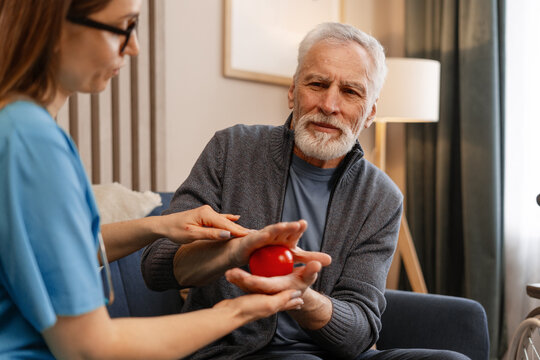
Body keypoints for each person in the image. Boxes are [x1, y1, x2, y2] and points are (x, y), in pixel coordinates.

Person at [0, 0, 331, 358]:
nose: (134, 46)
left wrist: (160, 225)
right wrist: (242, 309)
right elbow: (89, 348)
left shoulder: (19, 126)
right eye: (124, 26)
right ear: (55, 27)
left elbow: (59, 249)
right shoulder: (33, 143)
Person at [142, 22, 470, 360]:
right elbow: (157, 265)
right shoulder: (232, 148)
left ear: (370, 112)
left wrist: (300, 295)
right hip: (236, 351)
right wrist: (239, 249)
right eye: (317, 83)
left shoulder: (382, 196)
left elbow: (359, 331)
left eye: (351, 92)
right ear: (292, 92)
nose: (329, 104)